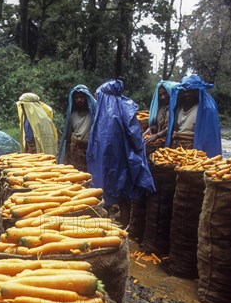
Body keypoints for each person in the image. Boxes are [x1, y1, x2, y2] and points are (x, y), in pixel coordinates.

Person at [87, 79, 155, 227]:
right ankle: (115, 222)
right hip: (116, 158)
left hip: (115, 158)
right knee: (117, 189)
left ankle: (122, 223)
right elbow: (135, 136)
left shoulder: (116, 109)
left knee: (113, 189)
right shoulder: (123, 108)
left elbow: (133, 134)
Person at [166, 74, 222, 157]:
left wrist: (180, 136)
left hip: (195, 151)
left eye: (190, 91)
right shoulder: (178, 110)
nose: (186, 94)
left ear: (197, 91)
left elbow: (207, 138)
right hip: (178, 151)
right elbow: (174, 131)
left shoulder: (205, 110)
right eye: (184, 91)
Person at [58, 85, 97, 171]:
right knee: (76, 173)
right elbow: (68, 137)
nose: (79, 100)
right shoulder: (72, 115)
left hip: (90, 149)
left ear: (86, 98)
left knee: (89, 173)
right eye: (77, 98)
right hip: (75, 150)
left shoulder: (93, 115)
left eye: (81, 97)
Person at [143, 81, 179, 151]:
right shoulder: (161, 108)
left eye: (165, 93)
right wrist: (151, 128)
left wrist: (157, 135)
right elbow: (159, 125)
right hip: (159, 144)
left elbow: (172, 127)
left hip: (172, 146)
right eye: (160, 95)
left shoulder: (176, 108)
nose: (163, 97)